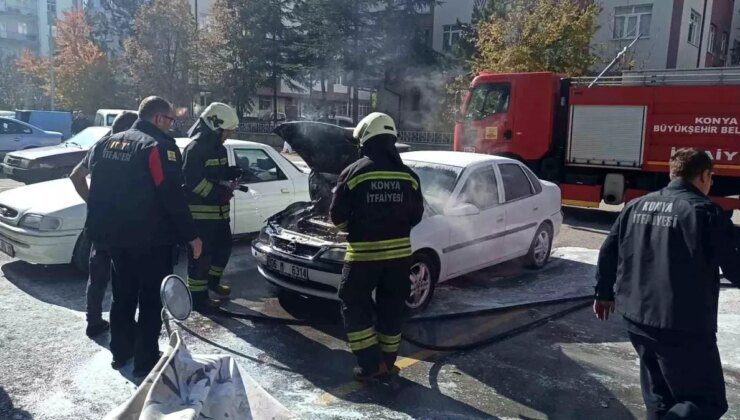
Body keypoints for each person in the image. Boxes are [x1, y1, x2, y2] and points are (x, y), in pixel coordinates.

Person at [594, 148, 740, 419]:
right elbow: (735, 267)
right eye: (711, 177)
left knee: (660, 400)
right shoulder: (705, 212)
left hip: (636, 319)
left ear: (672, 173)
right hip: (681, 326)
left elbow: (608, 250)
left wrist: (603, 292)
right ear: (705, 176)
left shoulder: (636, 205)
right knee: (706, 402)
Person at [86, 96, 202, 377]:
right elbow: (172, 195)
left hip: (114, 239)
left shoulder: (106, 143)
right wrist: (192, 236)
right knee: (151, 299)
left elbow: (96, 188)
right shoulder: (158, 147)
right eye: (171, 120)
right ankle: (145, 361)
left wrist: (98, 232)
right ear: (159, 118)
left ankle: (121, 352)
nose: (172, 125)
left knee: (122, 296)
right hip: (151, 240)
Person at [329, 112, 424, 381]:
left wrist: (356, 228)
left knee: (353, 302)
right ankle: (387, 362)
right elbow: (416, 215)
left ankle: (370, 364)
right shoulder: (409, 176)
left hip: (363, 257)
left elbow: (337, 217)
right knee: (392, 307)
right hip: (400, 258)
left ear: (365, 139)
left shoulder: (354, 172)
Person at [69, 111, 138, 338]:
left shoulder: (99, 147)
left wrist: (92, 201)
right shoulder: (134, 148)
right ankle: (124, 324)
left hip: (99, 223)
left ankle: (94, 320)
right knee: (125, 275)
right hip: (125, 225)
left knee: (97, 275)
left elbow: (76, 176)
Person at [182, 103, 239, 311]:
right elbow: (192, 181)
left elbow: (217, 176)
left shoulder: (220, 149)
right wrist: (218, 194)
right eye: (227, 130)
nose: (229, 134)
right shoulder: (195, 148)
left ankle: (213, 283)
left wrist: (231, 174)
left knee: (223, 249)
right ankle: (198, 298)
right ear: (216, 126)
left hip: (220, 213)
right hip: (201, 216)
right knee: (201, 257)